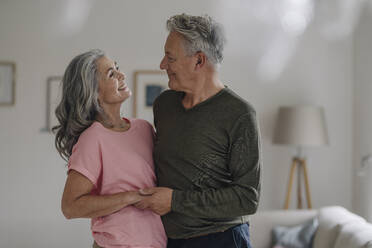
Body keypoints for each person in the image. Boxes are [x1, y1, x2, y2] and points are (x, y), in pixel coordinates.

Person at [135, 14, 262, 248]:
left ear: (199, 61)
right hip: (169, 240)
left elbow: (247, 198)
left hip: (222, 239)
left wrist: (175, 201)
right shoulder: (164, 104)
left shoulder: (240, 114)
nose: (162, 65)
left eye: (170, 57)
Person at [54, 49, 166, 248]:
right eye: (111, 74)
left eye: (117, 68)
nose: (122, 75)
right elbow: (70, 207)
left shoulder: (144, 128)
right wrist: (130, 197)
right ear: (93, 92)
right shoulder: (93, 138)